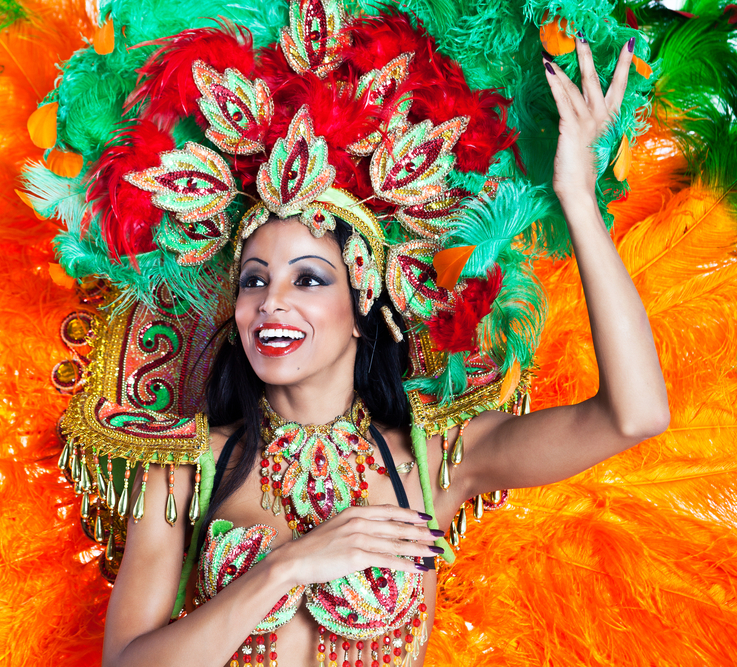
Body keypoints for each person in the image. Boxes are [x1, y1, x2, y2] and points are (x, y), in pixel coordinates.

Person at [100, 37, 668, 667]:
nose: (270, 303)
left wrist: (579, 198)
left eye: (308, 279)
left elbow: (635, 416)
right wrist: (288, 566)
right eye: (254, 281)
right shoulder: (186, 467)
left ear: (361, 305)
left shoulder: (436, 461)